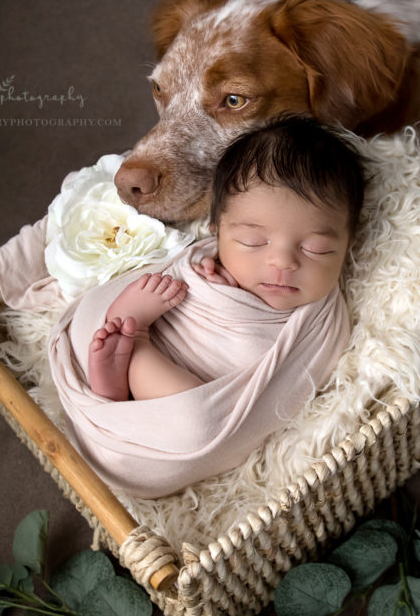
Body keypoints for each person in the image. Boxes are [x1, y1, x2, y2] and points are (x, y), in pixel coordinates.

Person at [87, 116, 366, 402]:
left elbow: (300, 389)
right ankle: (133, 342)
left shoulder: (328, 325)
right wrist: (216, 290)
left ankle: (127, 371)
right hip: (165, 353)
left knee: (196, 415)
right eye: (252, 242)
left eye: (316, 248)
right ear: (217, 231)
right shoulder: (204, 268)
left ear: (347, 244)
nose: (283, 262)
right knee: (101, 317)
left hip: (209, 407)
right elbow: (184, 298)